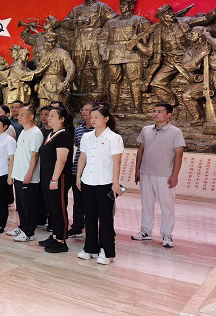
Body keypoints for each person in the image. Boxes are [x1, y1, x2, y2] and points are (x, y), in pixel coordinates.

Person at [76, 106, 124, 265]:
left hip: (105, 183)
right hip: (87, 181)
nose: (93, 119)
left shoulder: (114, 138)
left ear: (106, 118)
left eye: (97, 117)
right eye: (92, 117)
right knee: (89, 216)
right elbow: (82, 157)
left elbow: (117, 162)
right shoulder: (86, 137)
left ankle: (106, 251)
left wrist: (115, 183)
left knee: (105, 218)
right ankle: (90, 248)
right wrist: (78, 176)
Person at [132, 103, 185, 248]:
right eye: (154, 111)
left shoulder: (175, 132)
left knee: (166, 206)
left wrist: (175, 175)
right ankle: (145, 231)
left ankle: (167, 235)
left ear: (169, 115)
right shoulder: (146, 130)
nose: (155, 114)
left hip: (165, 175)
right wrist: (137, 170)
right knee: (146, 204)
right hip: (146, 173)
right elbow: (140, 150)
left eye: (160, 111)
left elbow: (179, 155)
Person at [39, 107, 74, 253]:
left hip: (59, 176)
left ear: (62, 119)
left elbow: (61, 160)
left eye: (53, 116)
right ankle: (54, 235)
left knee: (59, 207)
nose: (49, 118)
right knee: (51, 207)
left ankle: (61, 240)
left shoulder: (63, 135)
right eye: (49, 116)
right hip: (47, 175)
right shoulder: (51, 134)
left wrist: (54, 179)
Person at [6, 106, 44, 242]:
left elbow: (35, 155)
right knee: (21, 205)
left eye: (22, 114)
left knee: (29, 205)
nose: (19, 116)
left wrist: (29, 173)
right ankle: (22, 227)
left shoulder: (36, 133)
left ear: (31, 116)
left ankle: (29, 232)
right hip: (18, 174)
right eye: (19, 114)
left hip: (28, 176)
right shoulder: (23, 131)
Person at [68, 102, 95, 238]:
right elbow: (78, 147)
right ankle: (77, 226)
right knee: (78, 200)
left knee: (91, 202)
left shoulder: (99, 130)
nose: (84, 112)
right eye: (83, 110)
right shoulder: (79, 129)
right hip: (77, 169)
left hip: (93, 170)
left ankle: (92, 228)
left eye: (87, 110)